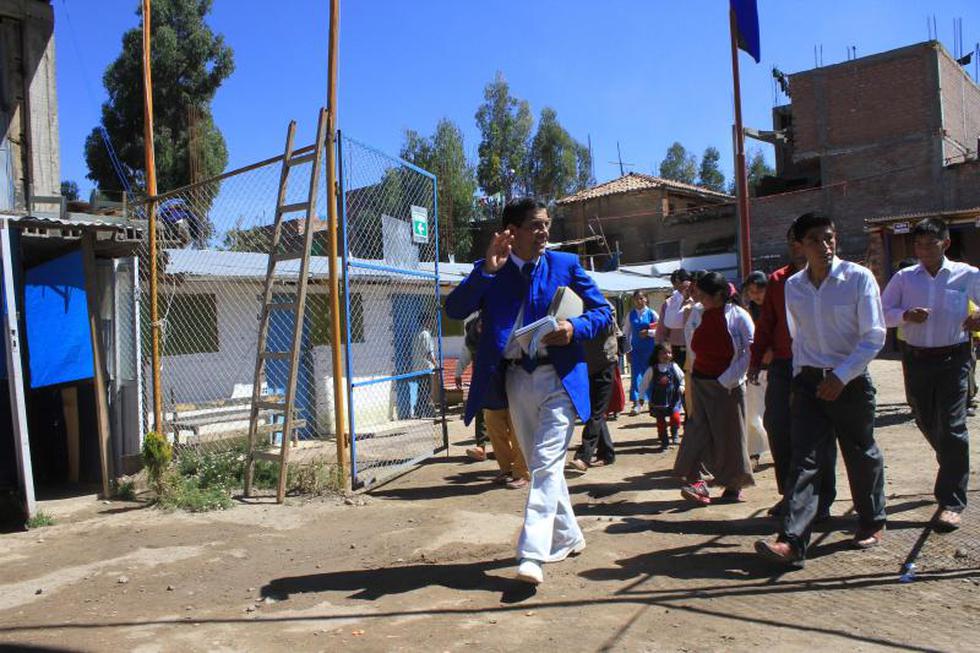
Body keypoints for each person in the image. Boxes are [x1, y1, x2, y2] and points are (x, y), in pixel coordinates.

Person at [445, 197, 612, 586]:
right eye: (536, 225)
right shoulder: (491, 269)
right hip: (516, 379)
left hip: (560, 377)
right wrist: (487, 270)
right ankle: (569, 535)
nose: (544, 232)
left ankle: (532, 552)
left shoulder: (565, 265)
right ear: (512, 231)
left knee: (546, 462)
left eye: (546, 224)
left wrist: (574, 328)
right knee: (542, 466)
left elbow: (603, 312)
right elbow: (454, 309)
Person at [756, 212, 887, 567]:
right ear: (800, 245)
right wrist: (800, 377)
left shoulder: (857, 278)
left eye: (829, 237)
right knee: (805, 460)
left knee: (860, 452)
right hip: (809, 383)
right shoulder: (794, 286)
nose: (825, 245)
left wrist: (841, 376)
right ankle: (792, 540)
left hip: (851, 382)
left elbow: (874, 336)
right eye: (814, 239)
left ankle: (871, 520)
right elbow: (798, 338)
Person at [881, 217, 980, 531]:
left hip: (955, 358)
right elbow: (881, 313)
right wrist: (905, 315)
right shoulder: (904, 278)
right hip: (917, 360)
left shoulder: (967, 275)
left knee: (952, 426)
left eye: (930, 244)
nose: (923, 251)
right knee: (924, 418)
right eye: (919, 245)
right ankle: (953, 461)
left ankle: (951, 502)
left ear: (945, 244)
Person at [748, 226, 836, 521]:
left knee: (819, 434)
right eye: (793, 243)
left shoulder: (836, 278)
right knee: (777, 425)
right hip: (784, 365)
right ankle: (791, 495)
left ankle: (822, 500)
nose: (797, 248)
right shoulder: (778, 280)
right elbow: (766, 323)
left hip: (819, 365)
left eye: (803, 242)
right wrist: (756, 359)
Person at [673, 272, 755, 505]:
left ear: (719, 295)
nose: (699, 298)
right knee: (697, 432)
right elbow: (691, 343)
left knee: (730, 435)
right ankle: (697, 482)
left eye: (703, 294)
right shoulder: (698, 313)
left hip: (728, 386)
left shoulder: (739, 316)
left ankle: (733, 485)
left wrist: (727, 379)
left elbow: (749, 351)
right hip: (701, 381)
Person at [457, 316, 530, 489]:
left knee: (517, 432)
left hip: (513, 385)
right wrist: (459, 371)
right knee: (495, 432)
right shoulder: (475, 330)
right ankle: (506, 470)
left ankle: (522, 473)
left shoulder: (510, 323)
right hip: (491, 391)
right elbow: (468, 348)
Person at [570, 303, 621, 471]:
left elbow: (605, 327)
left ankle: (584, 456)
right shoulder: (575, 306)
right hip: (587, 366)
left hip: (605, 365)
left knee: (596, 412)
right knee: (593, 411)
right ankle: (607, 453)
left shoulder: (604, 307)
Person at [742, 271, 770, 465]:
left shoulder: (778, 307)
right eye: (751, 291)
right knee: (754, 410)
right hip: (757, 366)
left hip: (779, 365)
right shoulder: (750, 310)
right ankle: (755, 451)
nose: (755, 295)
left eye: (759, 290)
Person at [638, 343, 685, 450]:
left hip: (673, 399)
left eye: (669, 353)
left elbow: (682, 377)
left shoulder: (674, 366)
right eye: (663, 353)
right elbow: (644, 383)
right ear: (657, 355)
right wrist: (641, 397)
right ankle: (664, 440)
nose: (667, 355)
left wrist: (682, 386)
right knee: (660, 422)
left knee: (676, 418)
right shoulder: (652, 369)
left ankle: (674, 432)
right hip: (658, 400)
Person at [457, 316, 489, 461]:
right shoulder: (473, 337)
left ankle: (507, 448)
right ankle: (481, 447)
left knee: (503, 412)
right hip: (482, 378)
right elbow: (465, 354)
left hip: (500, 377)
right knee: (481, 410)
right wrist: (458, 373)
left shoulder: (496, 327)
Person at [624, 291, 658, 416]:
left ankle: (652, 401)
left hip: (650, 350)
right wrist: (627, 351)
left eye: (641, 298)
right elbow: (626, 333)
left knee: (650, 375)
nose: (639, 301)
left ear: (646, 299)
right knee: (636, 376)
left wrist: (648, 333)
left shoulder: (652, 313)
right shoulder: (630, 315)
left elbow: (661, 329)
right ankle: (637, 403)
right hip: (636, 350)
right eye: (636, 299)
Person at [661, 269, 692, 370]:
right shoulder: (669, 302)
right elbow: (665, 326)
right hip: (676, 347)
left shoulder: (697, 301)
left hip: (693, 347)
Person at [412, 315, 437, 418]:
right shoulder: (426, 334)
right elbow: (428, 352)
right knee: (428, 390)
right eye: (429, 321)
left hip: (418, 367)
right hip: (426, 366)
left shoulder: (417, 334)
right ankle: (427, 411)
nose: (431, 323)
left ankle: (419, 411)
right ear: (425, 322)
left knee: (421, 389)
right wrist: (436, 364)